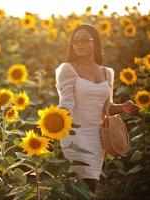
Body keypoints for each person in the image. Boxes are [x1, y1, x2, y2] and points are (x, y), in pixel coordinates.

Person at [54, 23, 140, 198]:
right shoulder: (68, 69)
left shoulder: (107, 72)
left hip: (96, 138)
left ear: (96, 43)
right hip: (73, 134)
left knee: (90, 187)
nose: (79, 44)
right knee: (80, 187)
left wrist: (122, 107)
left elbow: (106, 107)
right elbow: (66, 102)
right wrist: (55, 126)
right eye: (75, 41)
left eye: (85, 40)